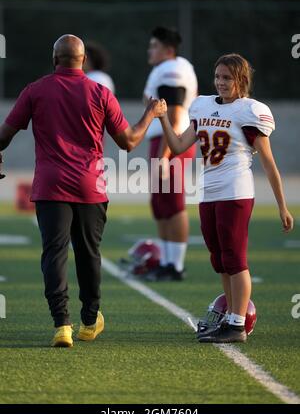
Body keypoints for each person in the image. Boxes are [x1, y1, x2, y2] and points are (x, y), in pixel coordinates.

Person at [0, 34, 166, 348]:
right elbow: (128, 141)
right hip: (90, 184)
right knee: (89, 253)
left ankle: (61, 324)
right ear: (83, 61)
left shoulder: (35, 91)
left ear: (54, 60)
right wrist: (151, 114)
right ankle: (89, 321)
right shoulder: (100, 92)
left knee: (54, 253)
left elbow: (3, 136)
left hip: (50, 185)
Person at [157, 53, 294, 343]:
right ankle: (231, 317)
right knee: (219, 259)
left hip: (236, 191)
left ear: (241, 80)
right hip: (209, 192)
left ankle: (236, 325)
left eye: (227, 77)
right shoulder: (202, 104)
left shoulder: (249, 111)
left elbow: (268, 162)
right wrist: (163, 120)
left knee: (234, 258)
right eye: (218, 76)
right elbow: (179, 145)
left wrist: (282, 205)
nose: (220, 82)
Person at [143, 27, 198, 281]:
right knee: (160, 202)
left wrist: (165, 155)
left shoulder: (171, 69)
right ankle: (166, 261)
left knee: (173, 203)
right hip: (166, 139)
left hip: (172, 140)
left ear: (168, 50)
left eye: (154, 46)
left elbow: (174, 113)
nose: (150, 50)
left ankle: (175, 266)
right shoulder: (168, 68)